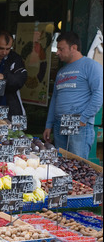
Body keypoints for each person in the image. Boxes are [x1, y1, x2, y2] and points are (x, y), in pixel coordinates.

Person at [43, 31, 103, 159]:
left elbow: (98, 95)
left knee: (77, 166)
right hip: (60, 124)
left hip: (79, 125)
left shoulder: (91, 66)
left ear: (74, 48)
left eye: (61, 49)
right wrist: (49, 125)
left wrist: (83, 118)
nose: (57, 52)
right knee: (62, 166)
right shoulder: (61, 72)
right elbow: (54, 99)